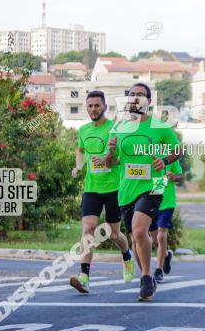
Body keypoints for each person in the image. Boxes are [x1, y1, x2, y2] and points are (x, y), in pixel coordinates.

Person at [104, 82, 182, 301]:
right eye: (132, 95)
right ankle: (146, 277)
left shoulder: (160, 127)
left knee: (139, 231)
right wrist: (110, 153)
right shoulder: (119, 129)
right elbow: (111, 164)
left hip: (155, 185)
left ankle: (146, 277)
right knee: (136, 237)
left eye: (141, 95)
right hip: (127, 189)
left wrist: (165, 161)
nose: (136, 98)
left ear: (149, 101)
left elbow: (178, 150)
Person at [69, 91, 134, 293]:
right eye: (90, 106)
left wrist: (107, 160)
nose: (93, 109)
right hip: (92, 188)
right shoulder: (84, 130)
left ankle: (127, 256)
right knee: (88, 229)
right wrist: (78, 167)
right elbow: (81, 150)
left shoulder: (115, 129)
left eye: (97, 105)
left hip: (113, 188)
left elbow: (121, 159)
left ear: (105, 107)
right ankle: (84, 276)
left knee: (114, 234)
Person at [152, 158, 183, 283]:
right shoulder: (146, 153)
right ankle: (165, 255)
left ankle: (158, 270)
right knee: (154, 239)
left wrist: (174, 177)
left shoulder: (170, 156)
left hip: (167, 202)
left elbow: (180, 175)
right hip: (150, 201)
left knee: (161, 236)